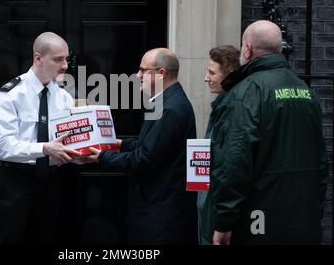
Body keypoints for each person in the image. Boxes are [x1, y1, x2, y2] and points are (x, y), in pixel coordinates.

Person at [202, 20, 329, 245]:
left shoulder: (243, 95)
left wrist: (223, 223)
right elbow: (321, 163)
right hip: (302, 221)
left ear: (248, 49)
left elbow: (232, 165)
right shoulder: (305, 92)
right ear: (279, 49)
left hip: (257, 223)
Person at [85, 48, 198, 245]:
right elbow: (150, 145)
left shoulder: (170, 108)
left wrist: (103, 157)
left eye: (143, 70)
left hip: (160, 213)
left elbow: (145, 158)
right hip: (156, 206)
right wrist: (118, 144)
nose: (137, 76)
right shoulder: (165, 102)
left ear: (161, 73)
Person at [0, 32, 81, 244]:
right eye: (58, 59)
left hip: (51, 181)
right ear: (38, 58)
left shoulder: (64, 97)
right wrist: (44, 149)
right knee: (8, 239)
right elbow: (2, 146)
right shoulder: (11, 94)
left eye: (66, 58)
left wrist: (82, 154)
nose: (65, 65)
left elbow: (65, 144)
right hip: (15, 181)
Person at [197, 45, 240, 245]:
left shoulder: (231, 108)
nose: (206, 78)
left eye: (212, 73)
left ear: (228, 75)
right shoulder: (221, 105)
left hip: (217, 205)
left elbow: (229, 166)